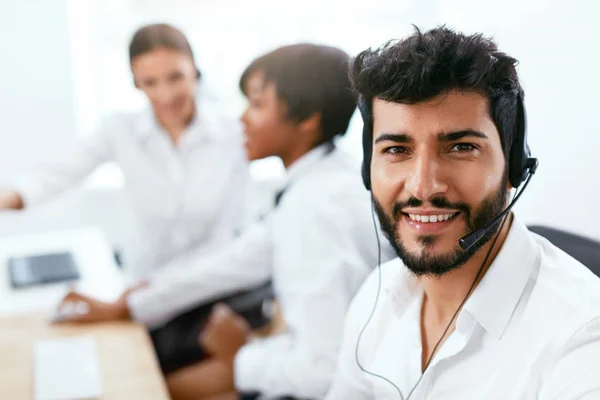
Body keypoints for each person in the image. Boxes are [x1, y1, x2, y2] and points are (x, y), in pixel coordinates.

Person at [326, 27, 600, 399]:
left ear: (514, 167)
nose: (423, 187)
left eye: (460, 147)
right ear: (366, 168)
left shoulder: (581, 339)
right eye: (396, 150)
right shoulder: (378, 293)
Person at [162, 43, 394, 400]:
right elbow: (238, 259)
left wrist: (242, 354)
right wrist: (134, 302)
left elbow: (321, 371)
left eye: (256, 105)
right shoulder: (328, 178)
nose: (242, 119)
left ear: (308, 119)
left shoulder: (314, 209)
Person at [0, 23, 249, 277]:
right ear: (136, 84)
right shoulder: (120, 130)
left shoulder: (233, 132)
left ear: (195, 71)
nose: (166, 94)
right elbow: (59, 173)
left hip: (217, 283)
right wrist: (9, 197)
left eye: (176, 77)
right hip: (147, 282)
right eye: (150, 82)